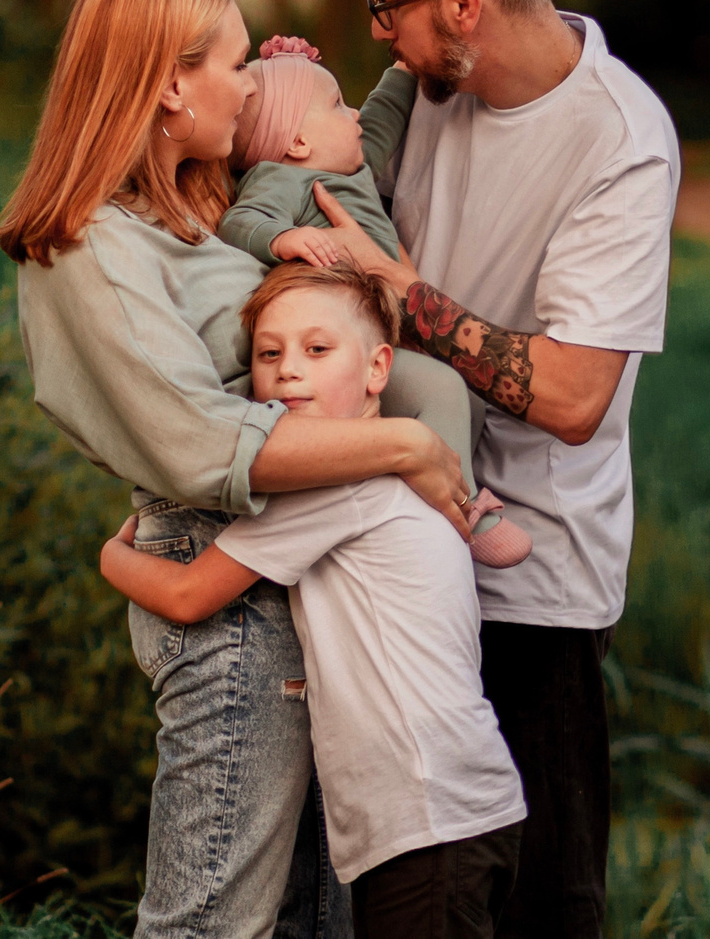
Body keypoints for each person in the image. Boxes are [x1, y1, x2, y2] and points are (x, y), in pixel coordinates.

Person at [0, 0, 475, 939]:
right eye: (233, 60)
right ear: (170, 84)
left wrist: (291, 88)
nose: (250, 82)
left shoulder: (185, 214)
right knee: (212, 925)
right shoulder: (86, 246)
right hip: (226, 586)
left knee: (308, 923)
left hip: (300, 579)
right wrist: (406, 451)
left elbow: (306, 161)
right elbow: (201, 443)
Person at [305, 0, 681, 939]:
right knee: (404, 899)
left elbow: (570, 397)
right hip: (391, 538)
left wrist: (403, 295)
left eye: (388, 7)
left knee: (545, 904)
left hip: (534, 583)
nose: (379, 29)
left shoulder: (618, 140)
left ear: (463, 3)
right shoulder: (419, 89)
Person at [98, 261, 527, 939]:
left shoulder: (339, 485)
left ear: (378, 368)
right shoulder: (392, 477)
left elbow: (187, 593)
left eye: (317, 349)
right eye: (269, 354)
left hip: (427, 814)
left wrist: (112, 557)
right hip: (456, 806)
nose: (288, 370)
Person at [217, 38, 530, 570]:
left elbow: (379, 120)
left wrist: (406, 67)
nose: (354, 112)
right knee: (443, 387)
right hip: (349, 352)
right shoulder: (283, 178)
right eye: (338, 105)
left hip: (388, 336)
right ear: (296, 142)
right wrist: (282, 240)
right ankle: (464, 511)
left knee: (468, 395)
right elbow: (237, 221)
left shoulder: (351, 168)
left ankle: (444, 478)